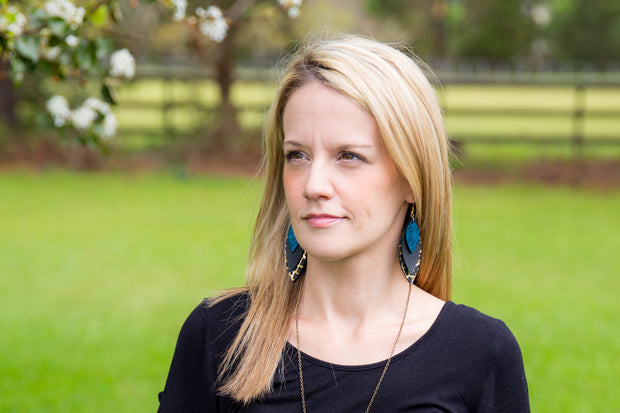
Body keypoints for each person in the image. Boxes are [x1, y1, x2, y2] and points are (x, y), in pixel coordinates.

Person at [157, 34, 530, 412]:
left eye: (349, 156)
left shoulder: (480, 352)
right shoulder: (221, 335)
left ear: (412, 179)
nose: (314, 185)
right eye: (297, 155)